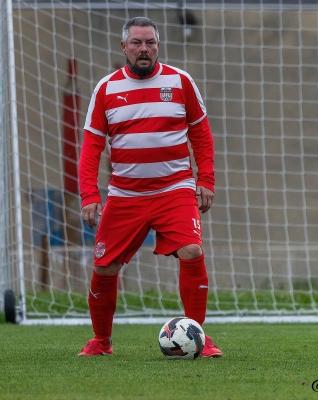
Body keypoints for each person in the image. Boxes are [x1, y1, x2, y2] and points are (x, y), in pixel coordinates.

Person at [78, 16, 223, 358]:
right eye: (137, 43)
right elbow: (91, 147)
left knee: (192, 251)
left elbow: (202, 135)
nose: (144, 49)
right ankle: (101, 341)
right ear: (123, 47)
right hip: (125, 195)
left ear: (158, 46)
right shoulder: (106, 89)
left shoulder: (180, 81)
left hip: (174, 191)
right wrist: (89, 195)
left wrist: (205, 179)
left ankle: (199, 338)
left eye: (150, 43)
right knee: (104, 267)